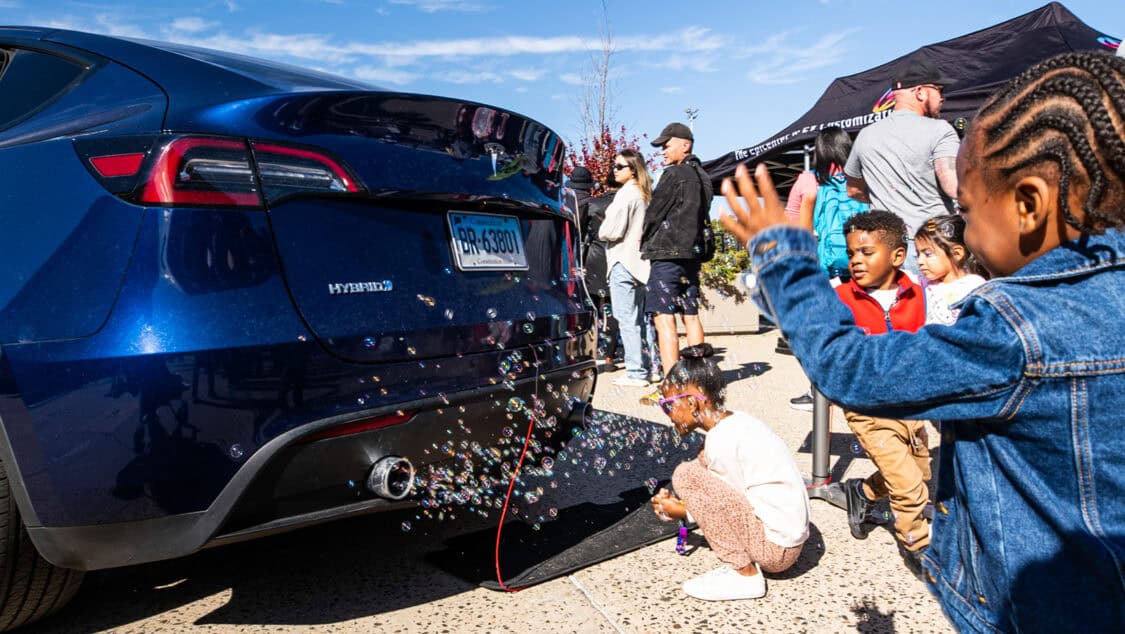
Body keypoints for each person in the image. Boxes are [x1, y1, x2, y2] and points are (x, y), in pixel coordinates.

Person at [720, 51, 1125, 633]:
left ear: (1030, 205)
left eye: (965, 210)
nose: (964, 230)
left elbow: (850, 369)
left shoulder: (1014, 332)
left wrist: (783, 255)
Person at [650, 344, 809, 601]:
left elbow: (725, 506)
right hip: (786, 539)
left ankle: (743, 575)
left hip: (776, 550)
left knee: (683, 475)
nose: (668, 415)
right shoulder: (736, 423)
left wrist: (682, 510)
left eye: (668, 405)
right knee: (692, 470)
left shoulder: (722, 441)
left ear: (691, 403)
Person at [832, 211, 930, 571]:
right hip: (867, 407)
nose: (855, 260)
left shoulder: (921, 294)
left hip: (910, 405)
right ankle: (920, 548)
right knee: (908, 486)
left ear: (897, 257)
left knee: (918, 473)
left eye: (866, 252)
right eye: (851, 253)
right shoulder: (840, 298)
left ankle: (862, 493)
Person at [844, 57, 960, 272]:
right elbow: (952, 186)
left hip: (887, 252)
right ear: (921, 92)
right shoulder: (940, 130)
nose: (943, 98)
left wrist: (886, 196)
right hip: (933, 247)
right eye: (939, 90)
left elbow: (852, 190)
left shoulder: (865, 135)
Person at [643, 122, 713, 379]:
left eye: (666, 145)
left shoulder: (673, 175)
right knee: (691, 314)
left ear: (685, 145)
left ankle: (671, 381)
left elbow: (654, 214)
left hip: (667, 255)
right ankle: (700, 376)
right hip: (692, 256)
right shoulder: (704, 176)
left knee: (664, 317)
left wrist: (644, 236)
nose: (662, 151)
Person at [599, 149, 655, 387]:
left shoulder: (626, 195)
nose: (614, 169)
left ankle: (636, 371)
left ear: (633, 169)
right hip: (640, 263)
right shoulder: (644, 195)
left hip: (622, 260)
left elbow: (611, 230)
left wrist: (601, 231)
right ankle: (651, 367)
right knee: (640, 320)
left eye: (619, 166)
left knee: (627, 319)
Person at [913, 214, 988, 325]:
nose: (920, 261)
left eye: (928, 254)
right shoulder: (920, 283)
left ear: (956, 253)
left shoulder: (974, 286)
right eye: (918, 254)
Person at [583, 173, 621, 369]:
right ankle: (609, 356)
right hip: (616, 257)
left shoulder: (592, 204)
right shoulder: (626, 203)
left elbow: (583, 231)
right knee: (614, 309)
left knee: (592, 306)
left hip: (593, 258)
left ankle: (590, 350)